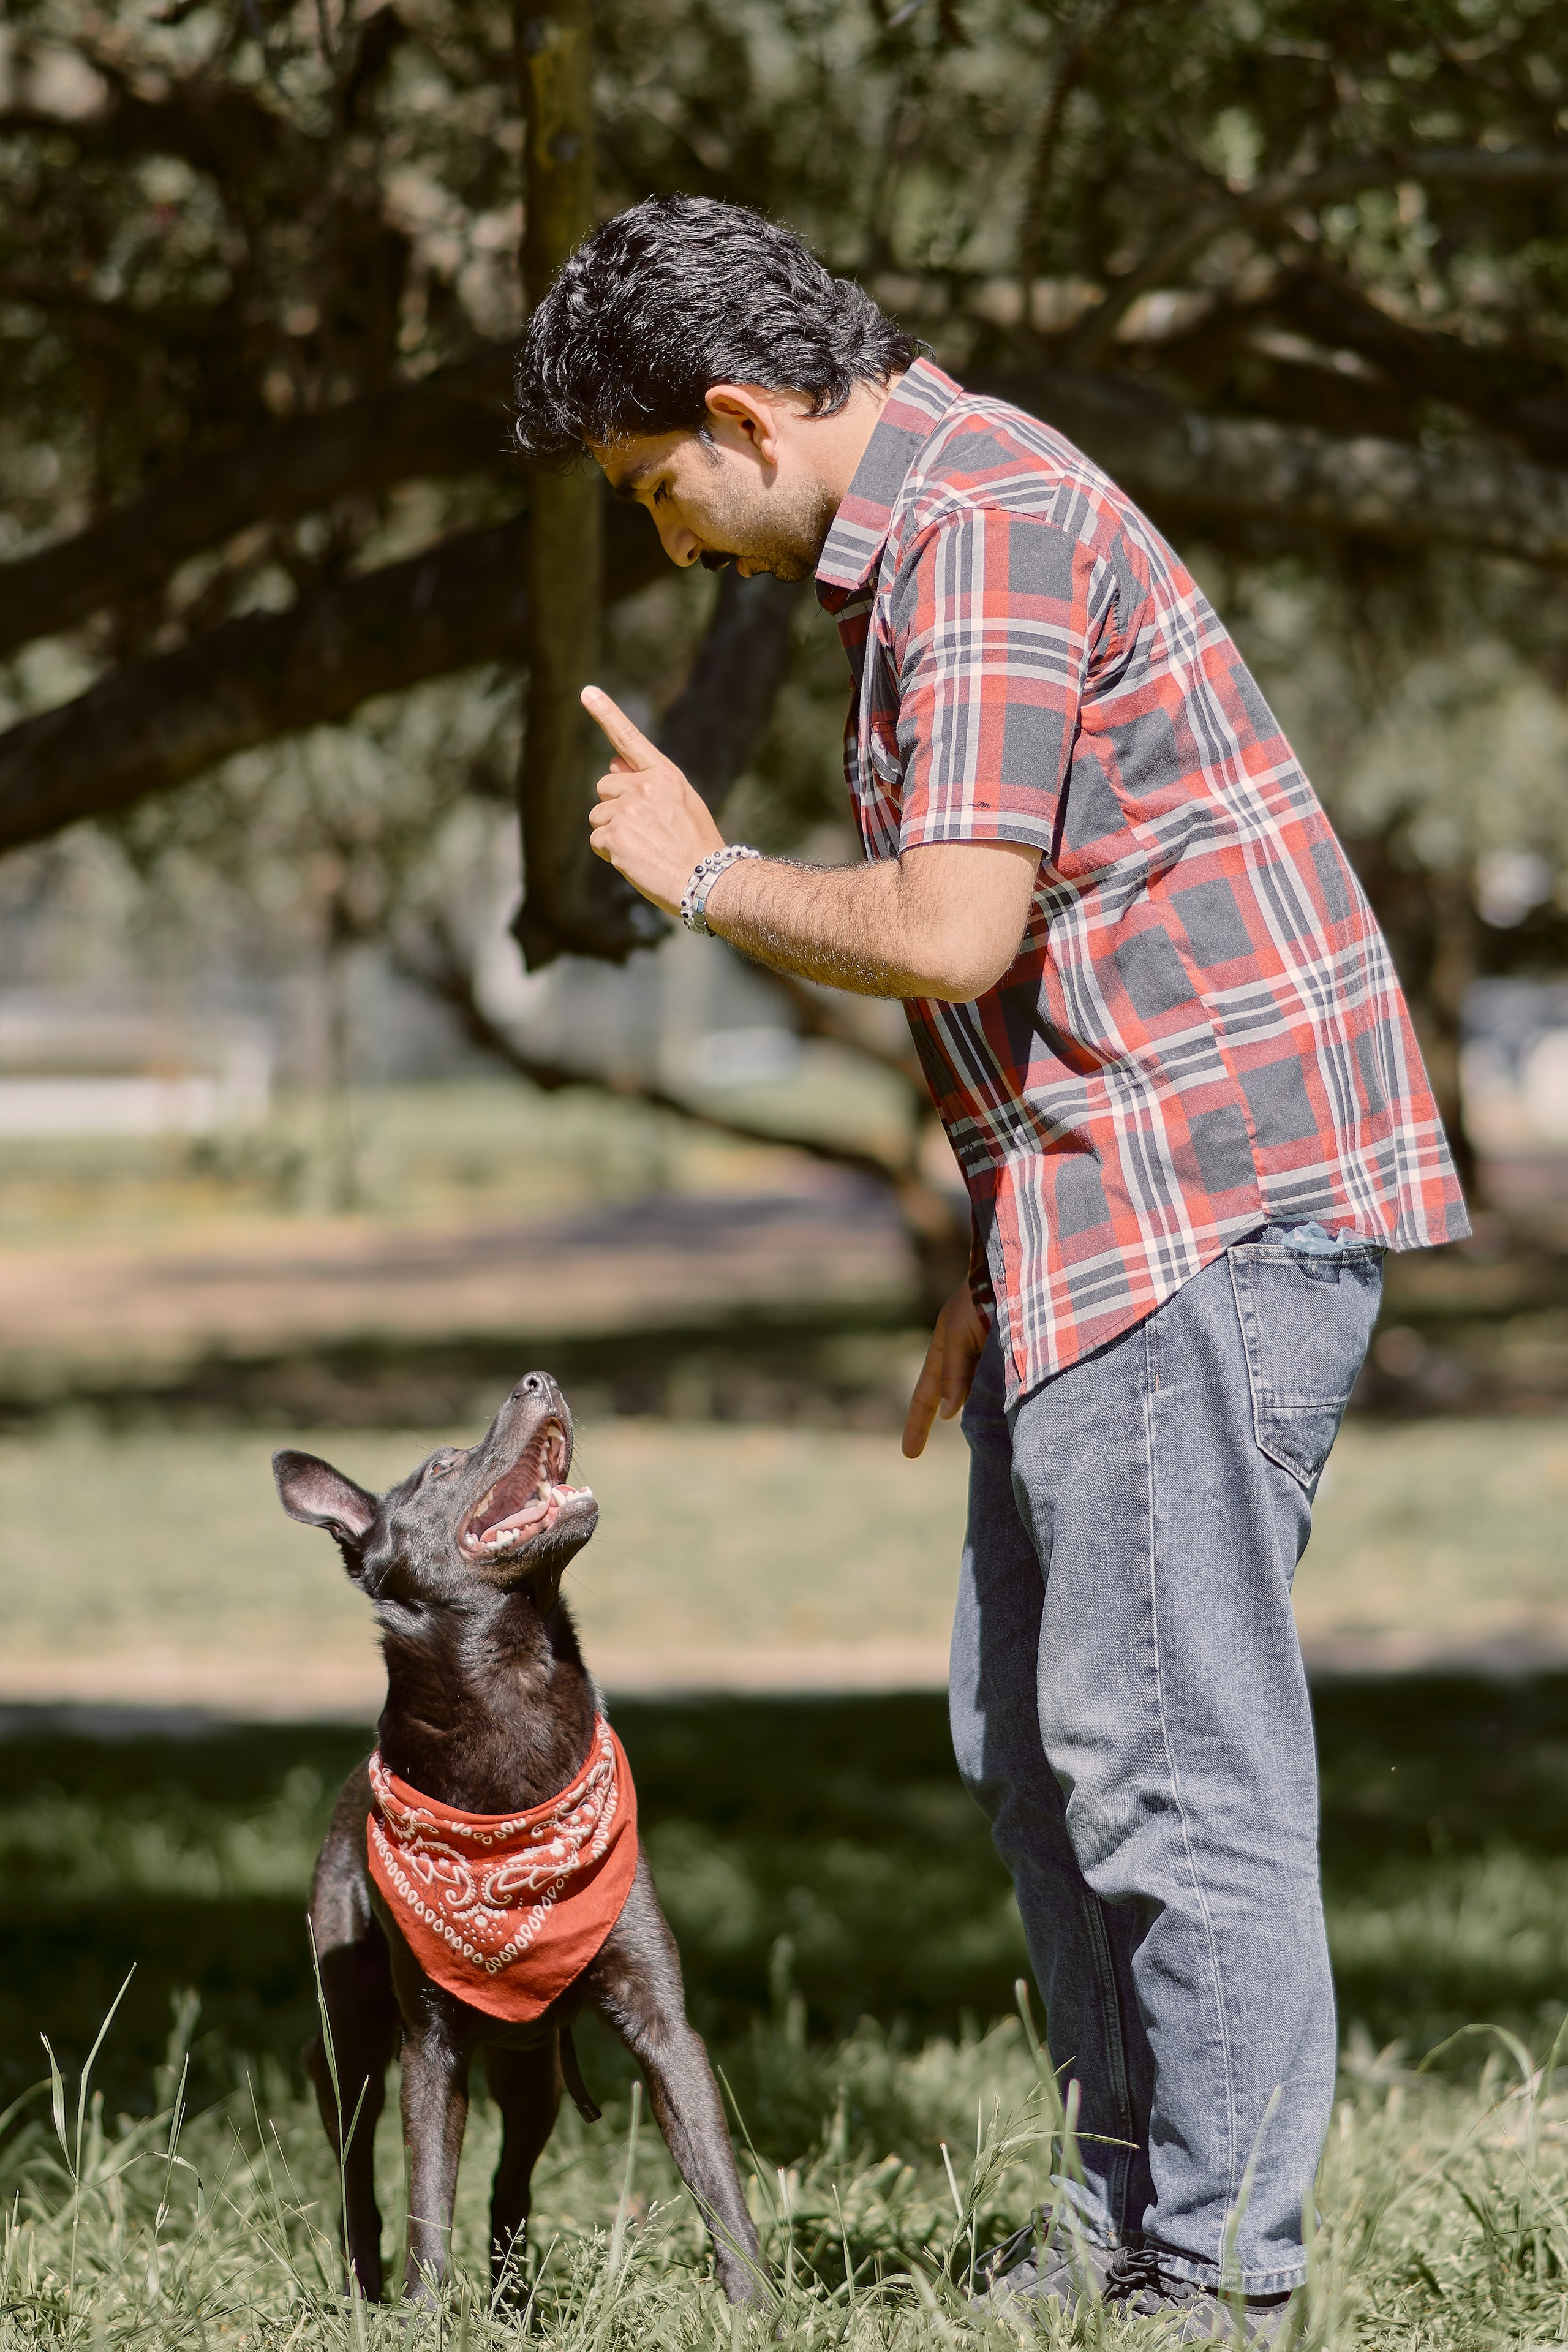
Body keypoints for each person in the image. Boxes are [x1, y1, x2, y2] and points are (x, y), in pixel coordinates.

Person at [511, 193, 1468, 2339]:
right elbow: (1068, 945)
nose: (679, 547)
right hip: (1095, 1195)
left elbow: (952, 927)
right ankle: (1130, 2223)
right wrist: (990, 1231)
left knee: (1163, 1754)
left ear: (746, 419)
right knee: (1036, 1741)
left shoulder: (982, 531)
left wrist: (713, 877)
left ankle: (1218, 2283)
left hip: (1204, 1197)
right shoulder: (946, 528)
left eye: (667, 493)